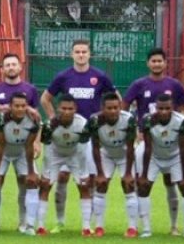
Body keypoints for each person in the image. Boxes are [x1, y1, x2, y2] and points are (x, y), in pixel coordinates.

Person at [39, 39, 116, 233]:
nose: (81, 55)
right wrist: (53, 119)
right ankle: (60, 221)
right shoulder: (63, 76)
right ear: (71, 54)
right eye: (77, 52)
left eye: (84, 51)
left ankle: (87, 225)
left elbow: (116, 101)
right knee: (62, 178)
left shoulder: (100, 76)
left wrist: (104, 120)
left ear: (90, 54)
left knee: (88, 181)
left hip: (90, 137)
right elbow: (45, 98)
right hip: (65, 136)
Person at [124, 47, 184, 235]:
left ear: (165, 63)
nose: (157, 64)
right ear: (148, 63)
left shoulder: (174, 84)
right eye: (153, 61)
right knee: (141, 182)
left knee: (171, 184)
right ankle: (137, 226)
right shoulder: (139, 84)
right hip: (146, 139)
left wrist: (179, 128)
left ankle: (175, 226)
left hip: (169, 141)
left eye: (160, 61)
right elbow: (124, 107)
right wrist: (136, 129)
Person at [0, 53, 41, 231]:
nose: (11, 67)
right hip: (1, 145)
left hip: (24, 147)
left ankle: (25, 223)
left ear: (20, 67)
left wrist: (37, 143)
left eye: (14, 64)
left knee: (28, 182)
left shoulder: (31, 89)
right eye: (7, 65)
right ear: (3, 69)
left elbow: (36, 119)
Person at [136, 94, 184, 239]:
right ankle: (146, 229)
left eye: (167, 108)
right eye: (160, 108)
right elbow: (148, 147)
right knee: (144, 187)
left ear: (173, 108)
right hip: (155, 156)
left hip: (175, 157)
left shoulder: (181, 121)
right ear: (156, 108)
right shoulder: (148, 120)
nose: (163, 111)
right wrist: (144, 175)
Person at [35, 94, 92, 236]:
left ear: (75, 109)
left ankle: (86, 227)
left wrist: (84, 173)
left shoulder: (83, 124)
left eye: (70, 108)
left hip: (75, 155)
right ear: (58, 109)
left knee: (84, 186)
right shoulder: (49, 125)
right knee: (45, 186)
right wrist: (47, 172)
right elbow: (47, 151)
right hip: (55, 155)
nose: (66, 111)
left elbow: (83, 151)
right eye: (63, 108)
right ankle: (41, 226)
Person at [88, 92, 138, 238]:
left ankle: (132, 228)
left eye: (116, 107)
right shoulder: (95, 120)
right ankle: (98, 227)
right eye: (109, 108)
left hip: (124, 155)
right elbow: (95, 147)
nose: (113, 111)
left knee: (128, 186)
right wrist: (100, 173)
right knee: (101, 185)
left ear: (120, 107)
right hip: (106, 154)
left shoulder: (129, 119)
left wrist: (128, 173)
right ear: (102, 108)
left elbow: (130, 147)